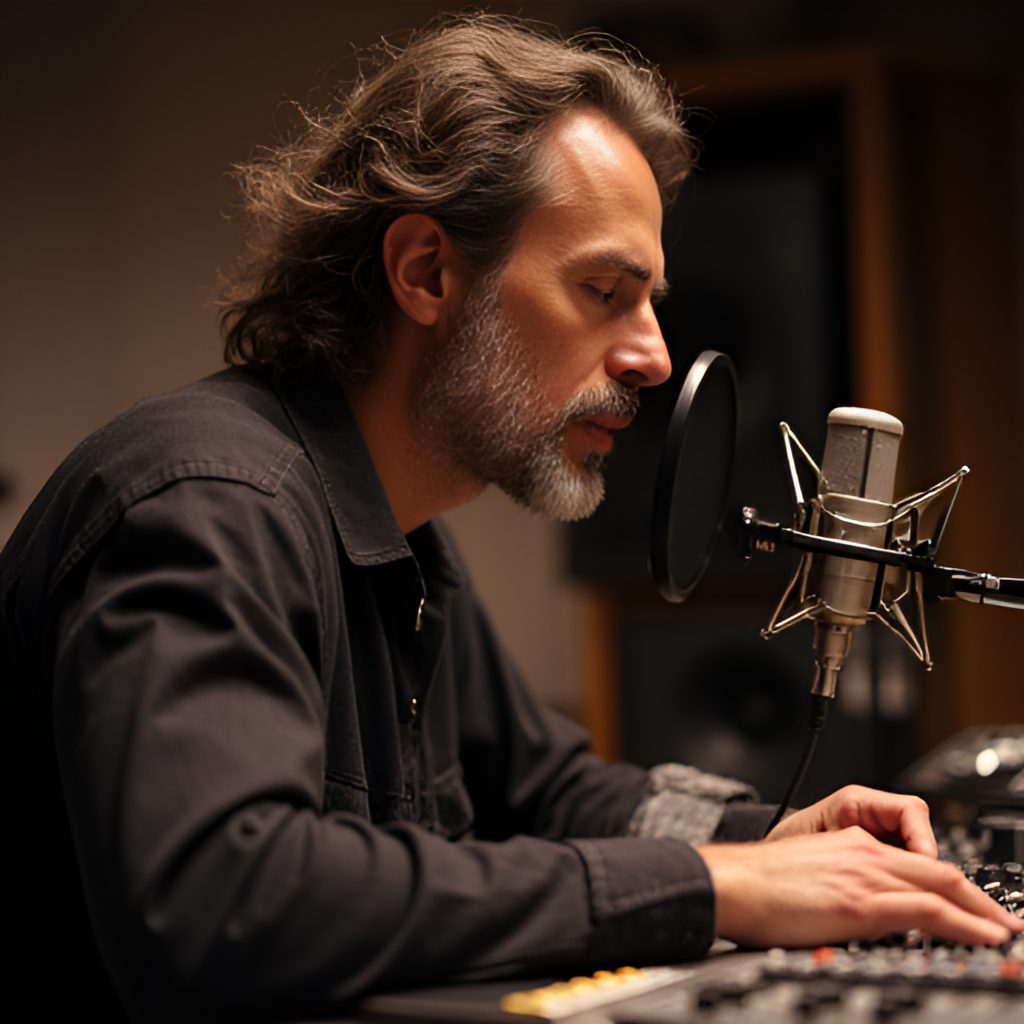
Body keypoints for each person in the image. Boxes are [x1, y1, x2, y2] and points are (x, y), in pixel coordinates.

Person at [2, 13, 1018, 1024]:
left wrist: (771, 837)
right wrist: (711, 888)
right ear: (426, 272)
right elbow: (226, 898)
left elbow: (550, 791)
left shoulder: (407, 537)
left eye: (650, 300)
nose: (655, 357)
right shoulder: (210, 503)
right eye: (604, 291)